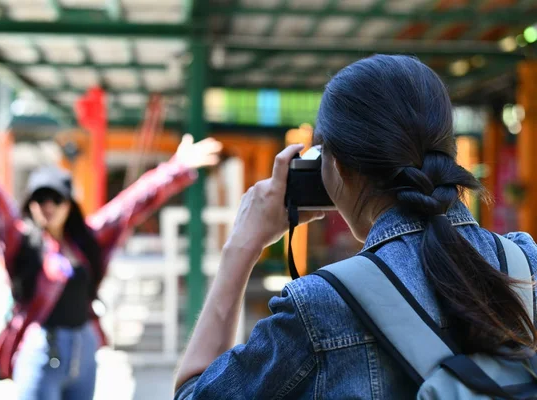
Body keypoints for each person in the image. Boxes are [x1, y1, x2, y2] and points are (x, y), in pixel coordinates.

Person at [174, 55, 537, 399]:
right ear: (449, 152)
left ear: (336, 168)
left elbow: (194, 393)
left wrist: (242, 245)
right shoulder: (525, 263)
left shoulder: (317, 307)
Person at [0, 127, 221, 400]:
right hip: (41, 350)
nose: (48, 205)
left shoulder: (87, 240)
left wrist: (177, 167)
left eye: (56, 198)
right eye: (40, 199)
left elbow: (132, 204)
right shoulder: (23, 241)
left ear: (69, 204)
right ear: (30, 204)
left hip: (84, 348)